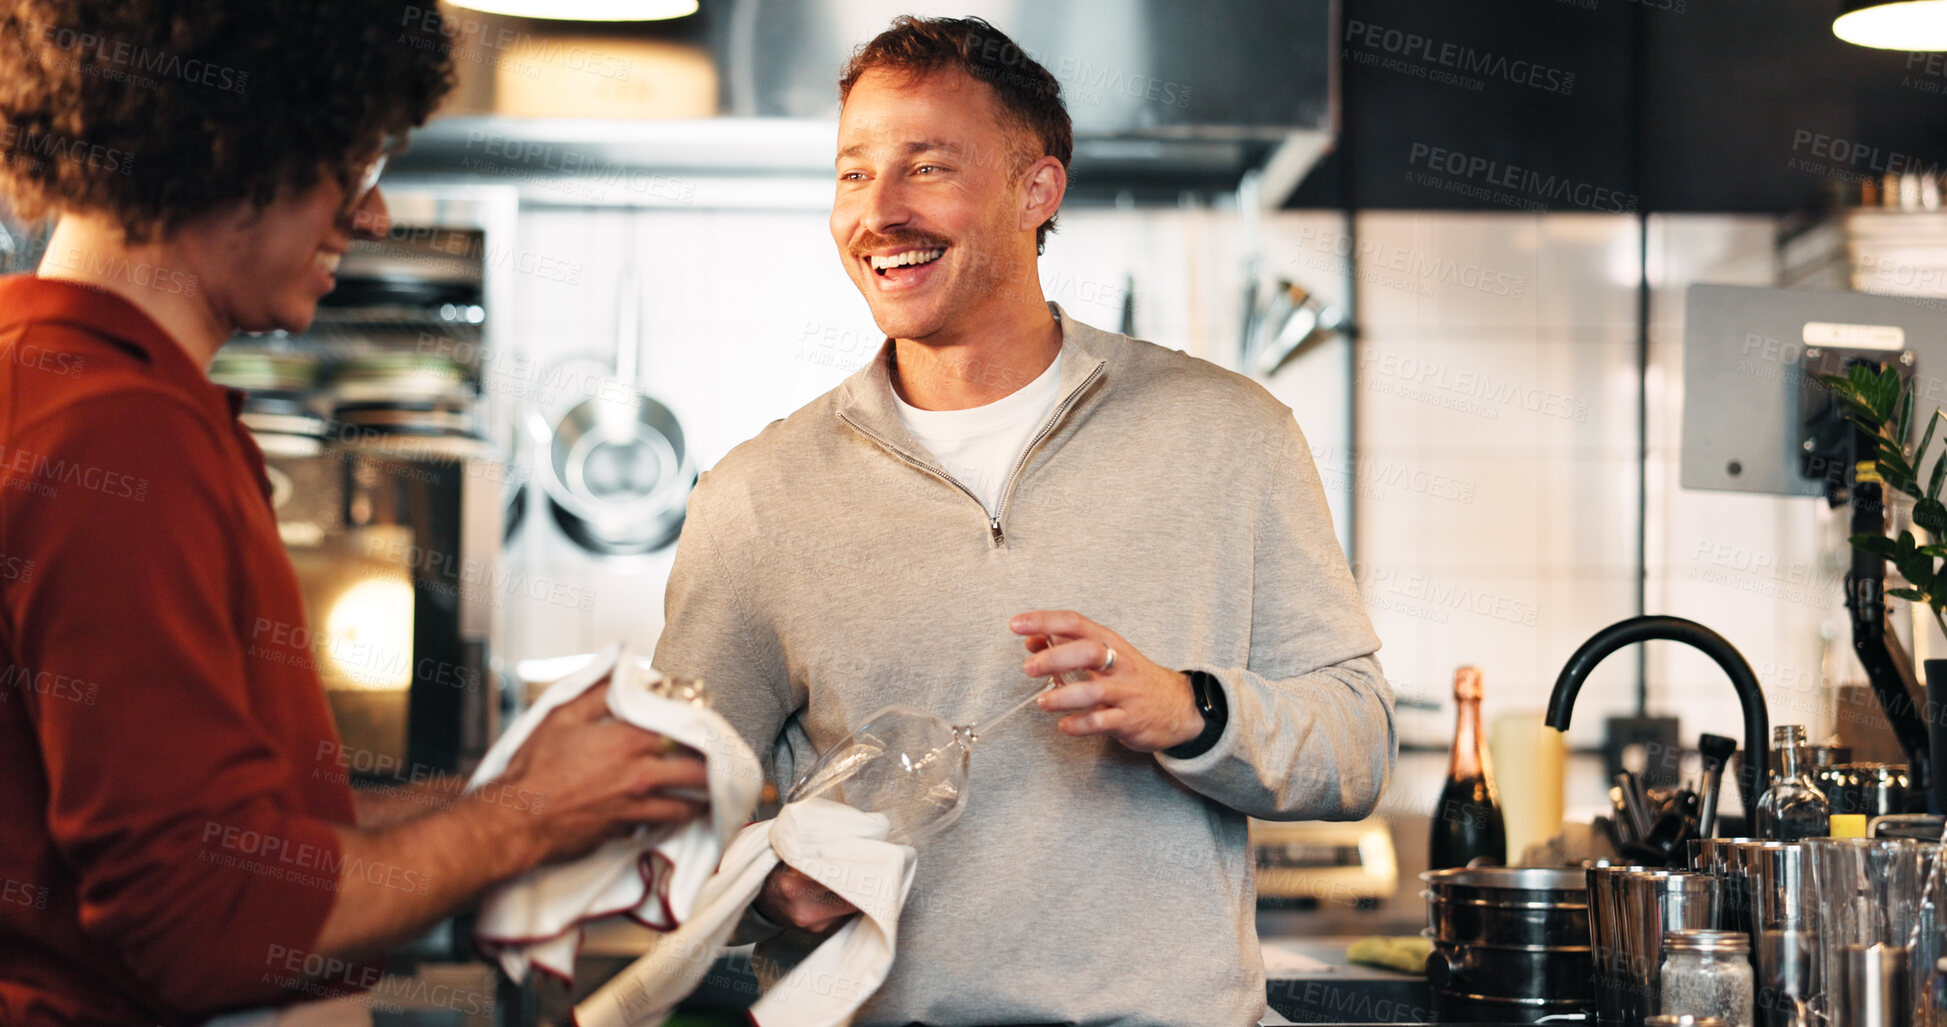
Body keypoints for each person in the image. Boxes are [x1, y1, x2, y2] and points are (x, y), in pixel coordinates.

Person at [654, 14, 1396, 1026]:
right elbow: (666, 800)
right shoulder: (755, 493)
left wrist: (1191, 708)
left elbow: (1356, 738)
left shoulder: (1232, 435)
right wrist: (765, 886)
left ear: (1035, 189)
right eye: (853, 174)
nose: (880, 212)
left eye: (925, 167)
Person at [0, 3, 706, 1024]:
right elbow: (207, 913)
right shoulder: (117, 433)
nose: (371, 217)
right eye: (355, 166)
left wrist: (505, 788)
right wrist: (524, 815)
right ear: (237, 148)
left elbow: (232, 830)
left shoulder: (53, 381)